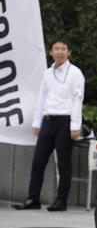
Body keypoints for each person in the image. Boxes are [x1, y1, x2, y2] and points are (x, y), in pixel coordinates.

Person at [12, 38, 85, 212]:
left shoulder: (75, 73)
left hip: (65, 121)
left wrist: (75, 126)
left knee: (64, 164)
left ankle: (61, 201)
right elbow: (41, 98)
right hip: (48, 120)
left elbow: (77, 99)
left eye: (63, 49)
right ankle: (33, 199)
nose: (59, 52)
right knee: (38, 161)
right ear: (51, 52)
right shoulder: (47, 73)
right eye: (56, 48)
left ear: (69, 52)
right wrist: (37, 121)